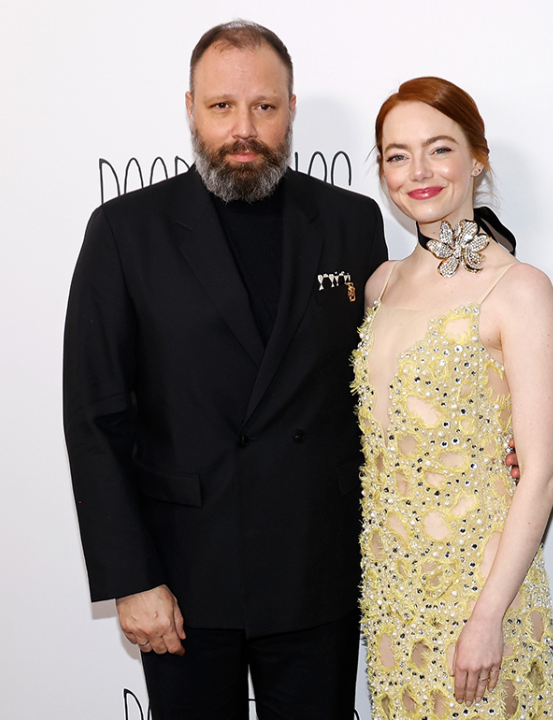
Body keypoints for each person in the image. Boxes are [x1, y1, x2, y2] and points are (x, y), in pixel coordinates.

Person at [63, 21, 387, 720]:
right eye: (222, 107)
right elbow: (95, 420)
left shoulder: (351, 222)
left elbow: (385, 380)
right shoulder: (125, 232)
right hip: (183, 581)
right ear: (190, 109)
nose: (245, 129)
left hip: (315, 571)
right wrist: (132, 579)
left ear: (291, 110)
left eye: (264, 107)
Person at [352, 77, 553, 719]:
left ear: (477, 158)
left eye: (439, 149)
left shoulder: (518, 290)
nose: (418, 172)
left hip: (480, 589)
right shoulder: (382, 284)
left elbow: (542, 474)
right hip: (390, 590)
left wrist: (488, 615)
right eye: (397, 154)